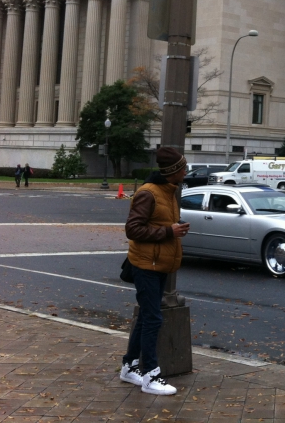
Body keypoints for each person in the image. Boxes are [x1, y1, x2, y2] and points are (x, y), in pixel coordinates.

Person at [119, 147, 190, 396]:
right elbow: (133, 229)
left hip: (158, 264)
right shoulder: (148, 193)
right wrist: (169, 231)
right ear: (173, 171)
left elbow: (158, 224)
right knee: (152, 318)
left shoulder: (169, 191)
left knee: (147, 317)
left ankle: (129, 366)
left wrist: (173, 229)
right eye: (183, 167)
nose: (186, 171)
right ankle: (151, 375)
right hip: (145, 265)